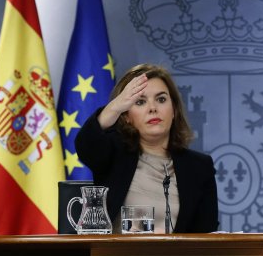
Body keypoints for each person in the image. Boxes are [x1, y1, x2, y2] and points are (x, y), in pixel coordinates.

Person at [75, 64, 218, 233]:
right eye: (140, 102)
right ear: (126, 115)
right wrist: (114, 107)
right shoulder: (113, 154)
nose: (153, 108)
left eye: (161, 99)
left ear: (174, 111)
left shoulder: (199, 167)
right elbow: (86, 144)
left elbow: (207, 235)